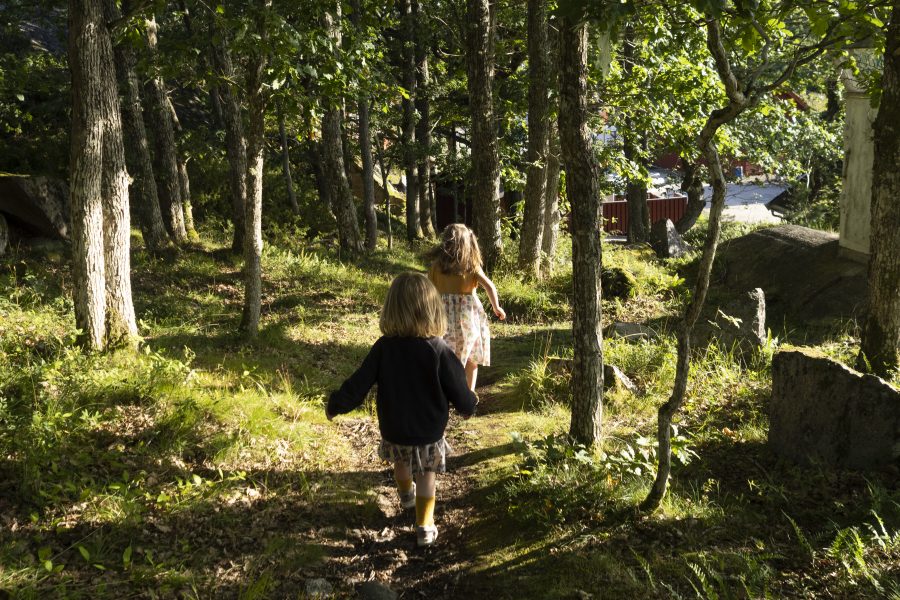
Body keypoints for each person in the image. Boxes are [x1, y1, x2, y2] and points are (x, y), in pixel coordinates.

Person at [326, 272, 477, 547]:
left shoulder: (384, 348)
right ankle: (425, 525)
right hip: (429, 430)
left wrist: (337, 404)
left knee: (401, 465)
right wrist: (469, 405)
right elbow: (458, 386)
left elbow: (359, 383)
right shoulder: (439, 349)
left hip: (395, 427)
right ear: (433, 310)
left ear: (392, 309)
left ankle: (406, 495)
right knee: (427, 474)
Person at [426, 223, 506, 391]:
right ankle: (468, 396)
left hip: (443, 320)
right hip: (468, 320)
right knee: (471, 358)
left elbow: (427, 290)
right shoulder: (471, 266)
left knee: (442, 357)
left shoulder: (436, 267)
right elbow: (490, 287)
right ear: (468, 243)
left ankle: (443, 393)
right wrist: (496, 307)